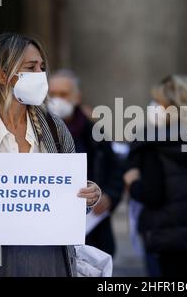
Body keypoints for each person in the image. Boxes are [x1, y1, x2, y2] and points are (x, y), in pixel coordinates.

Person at [0, 33, 102, 277]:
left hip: (51, 257)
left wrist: (88, 195)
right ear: (2, 75)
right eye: (30, 68)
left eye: (42, 67)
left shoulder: (55, 128)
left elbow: (70, 201)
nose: (40, 75)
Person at [124, 75, 187, 277]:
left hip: (165, 240)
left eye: (159, 102)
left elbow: (152, 195)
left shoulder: (151, 144)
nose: (153, 106)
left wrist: (131, 183)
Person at [47, 69, 123, 256]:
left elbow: (115, 169)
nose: (57, 100)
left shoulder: (94, 132)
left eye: (63, 94)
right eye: (52, 94)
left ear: (77, 97)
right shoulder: (34, 130)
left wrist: (109, 196)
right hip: (51, 228)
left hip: (93, 231)